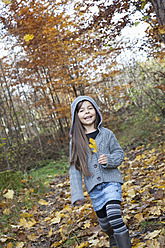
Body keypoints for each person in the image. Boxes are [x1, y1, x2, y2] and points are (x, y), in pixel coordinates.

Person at [69, 95, 131, 248]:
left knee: (114, 216)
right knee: (105, 224)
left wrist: (109, 160)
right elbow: (74, 170)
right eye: (82, 110)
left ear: (96, 111)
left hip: (111, 182)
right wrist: (77, 194)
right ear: (76, 116)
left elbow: (119, 154)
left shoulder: (107, 134)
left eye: (90, 108)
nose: (87, 112)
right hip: (94, 189)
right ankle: (113, 238)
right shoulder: (76, 141)